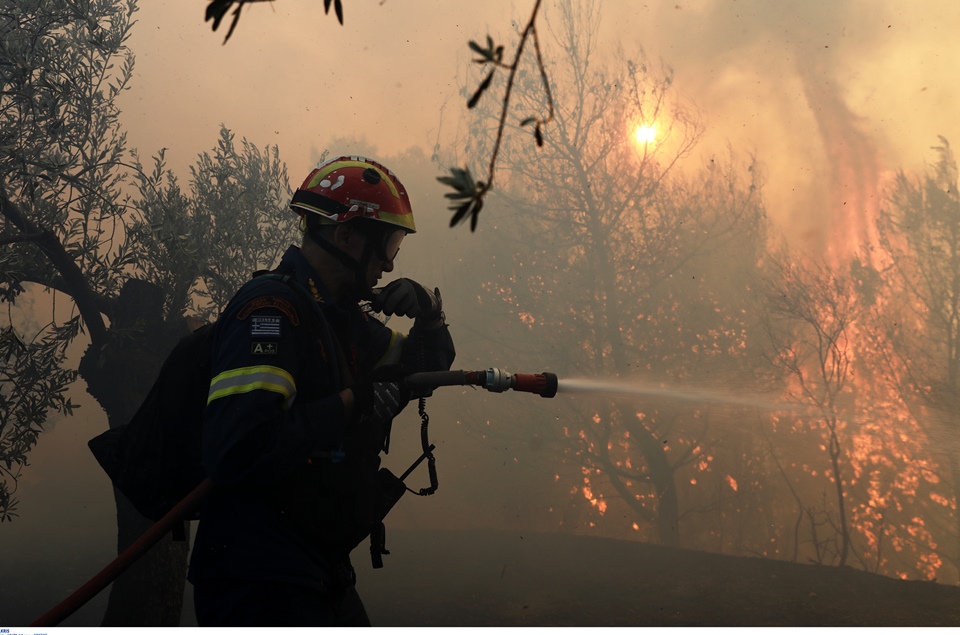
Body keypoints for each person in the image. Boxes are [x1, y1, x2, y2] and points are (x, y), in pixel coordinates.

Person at [187, 155, 456, 626]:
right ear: (345, 236)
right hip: (257, 577)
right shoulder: (272, 312)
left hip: (315, 569)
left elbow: (423, 370)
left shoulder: (342, 322)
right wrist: (353, 404)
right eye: (387, 243)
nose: (389, 263)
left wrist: (430, 315)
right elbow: (237, 448)